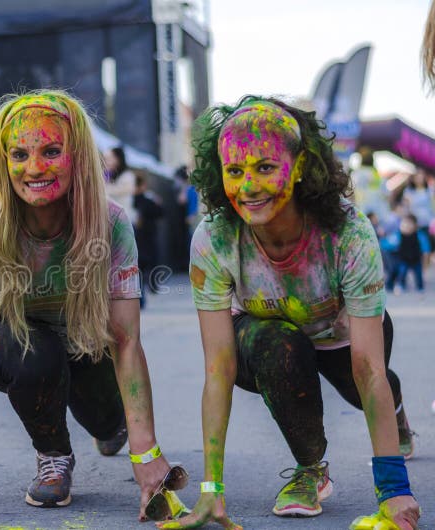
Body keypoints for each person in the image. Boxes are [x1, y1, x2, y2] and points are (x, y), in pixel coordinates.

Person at [163, 97, 420, 530]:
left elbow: (368, 367)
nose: (249, 187)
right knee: (278, 346)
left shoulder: (348, 232)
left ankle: (397, 412)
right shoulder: (215, 238)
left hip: (339, 333)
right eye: (235, 171)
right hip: (272, 335)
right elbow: (220, 366)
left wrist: (395, 491)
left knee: (368, 388)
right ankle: (309, 469)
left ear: (300, 166)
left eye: (265, 167)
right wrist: (211, 492)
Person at [0, 90, 177, 522]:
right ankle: (53, 455)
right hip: (18, 348)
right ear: (3, 160)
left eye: (51, 151)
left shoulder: (110, 222)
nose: (34, 168)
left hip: (89, 348)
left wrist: (146, 453)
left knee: (108, 426)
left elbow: (126, 342)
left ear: (78, 158)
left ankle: (111, 430)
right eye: (19, 154)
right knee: (33, 350)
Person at [132, 171, 164, 300]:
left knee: (143, 263)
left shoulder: (143, 199)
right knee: (147, 262)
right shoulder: (145, 199)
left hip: (145, 235)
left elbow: (160, 213)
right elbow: (161, 213)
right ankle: (151, 286)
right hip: (145, 235)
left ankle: (149, 286)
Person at [385, 213, 429, 294]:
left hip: (416, 259)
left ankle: (420, 286)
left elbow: (425, 248)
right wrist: (383, 244)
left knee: (418, 274)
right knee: (402, 272)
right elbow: (388, 243)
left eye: (408, 224)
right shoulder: (398, 235)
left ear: (415, 226)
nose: (405, 226)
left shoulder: (419, 235)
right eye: (403, 224)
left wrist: (425, 263)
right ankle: (401, 285)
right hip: (404, 259)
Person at [104, 146, 138, 225]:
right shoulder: (108, 174)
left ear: (118, 159)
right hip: (109, 219)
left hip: (122, 219)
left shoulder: (128, 176)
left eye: (110, 158)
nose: (106, 161)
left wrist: (105, 188)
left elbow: (120, 191)